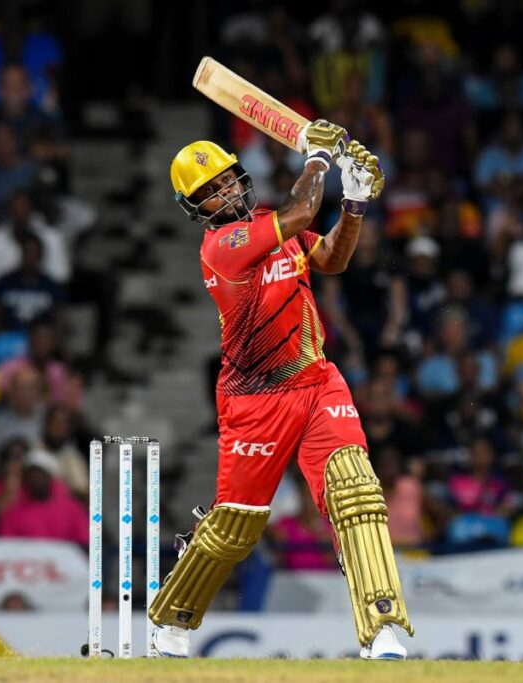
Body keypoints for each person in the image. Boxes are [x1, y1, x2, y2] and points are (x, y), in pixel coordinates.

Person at [150, 123, 412, 660]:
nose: (224, 193)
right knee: (236, 528)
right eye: (210, 192)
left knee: (356, 494)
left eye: (226, 180)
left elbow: (332, 259)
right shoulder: (223, 247)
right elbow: (299, 213)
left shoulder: (275, 223)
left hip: (316, 382)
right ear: (196, 208)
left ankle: (382, 629)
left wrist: (356, 203)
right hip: (256, 400)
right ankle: (170, 622)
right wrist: (318, 160)